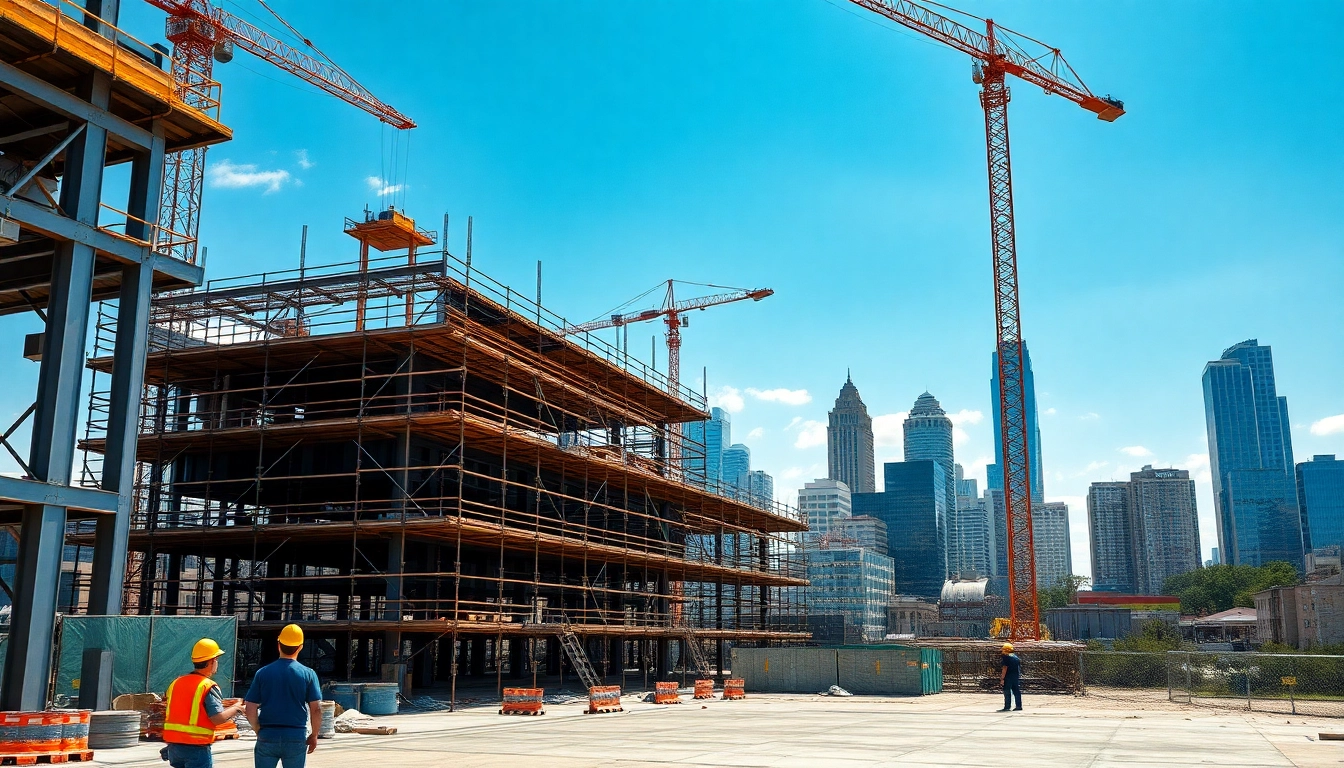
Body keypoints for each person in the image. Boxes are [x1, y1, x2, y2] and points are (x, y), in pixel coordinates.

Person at [244, 624, 323, 768]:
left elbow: (249, 707)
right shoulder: (309, 674)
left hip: (268, 734)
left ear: (278, 644)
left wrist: (258, 729)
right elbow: (316, 708)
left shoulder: (262, 673)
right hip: (295, 735)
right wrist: (314, 735)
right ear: (300, 647)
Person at [161, 638, 245, 768]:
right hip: (196, 748)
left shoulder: (176, 683)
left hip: (174, 748)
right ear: (212, 661)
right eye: (216, 659)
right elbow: (217, 718)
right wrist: (237, 708)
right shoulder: (207, 686)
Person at [999, 642, 1022, 711]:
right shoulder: (1016, 657)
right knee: (1016, 691)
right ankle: (1018, 706)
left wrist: (1002, 678)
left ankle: (1007, 706)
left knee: (1007, 691)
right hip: (1015, 676)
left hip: (1008, 677)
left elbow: (1005, 668)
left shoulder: (1006, 657)